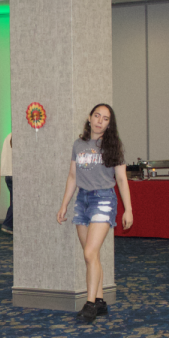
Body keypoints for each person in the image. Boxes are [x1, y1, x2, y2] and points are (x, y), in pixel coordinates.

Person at [57, 103, 134, 323]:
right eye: (97, 116)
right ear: (89, 118)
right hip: (82, 200)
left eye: (106, 118)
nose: (100, 121)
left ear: (110, 124)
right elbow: (72, 176)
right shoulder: (78, 144)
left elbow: (121, 179)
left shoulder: (113, 146)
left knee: (90, 253)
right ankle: (99, 301)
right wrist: (64, 205)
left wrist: (128, 209)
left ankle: (90, 305)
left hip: (103, 200)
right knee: (92, 255)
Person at [1, 132, 14, 235]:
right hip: (14, 173)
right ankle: (8, 224)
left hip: (8, 173)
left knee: (14, 201)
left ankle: (11, 224)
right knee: (17, 202)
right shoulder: (17, 136)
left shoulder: (8, 135)